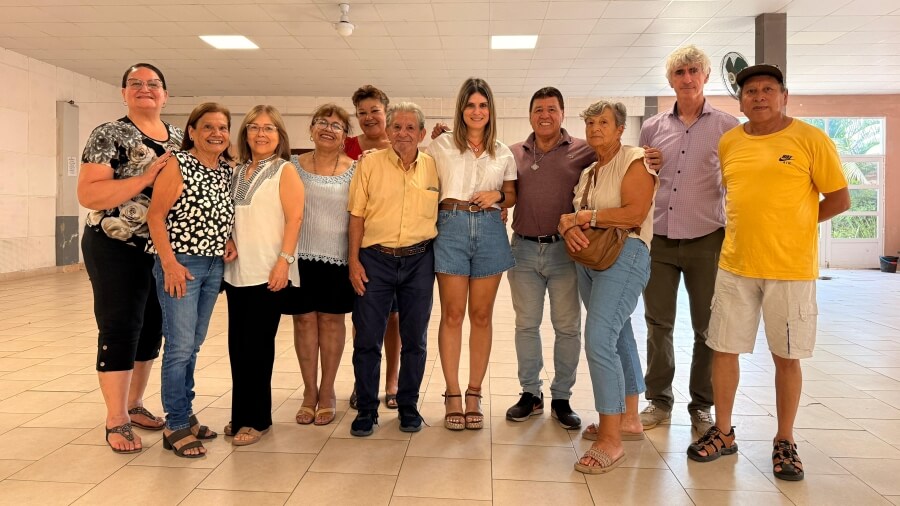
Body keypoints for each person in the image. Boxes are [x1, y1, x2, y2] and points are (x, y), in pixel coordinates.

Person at [687, 64, 849, 482]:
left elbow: (840, 198)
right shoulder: (729, 143)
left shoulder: (810, 139)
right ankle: (723, 432)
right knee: (724, 348)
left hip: (790, 269)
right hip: (736, 264)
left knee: (787, 356)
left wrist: (796, 224)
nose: (759, 96)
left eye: (768, 89)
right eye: (751, 91)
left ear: (784, 96)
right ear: (740, 101)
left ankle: (785, 439)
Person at [78, 63, 181, 454]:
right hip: (114, 246)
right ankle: (116, 418)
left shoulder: (175, 137)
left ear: (165, 95)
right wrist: (144, 179)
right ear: (123, 93)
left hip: (160, 250)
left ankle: (135, 404)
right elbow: (89, 195)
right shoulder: (109, 134)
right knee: (120, 327)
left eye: (153, 84)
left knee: (151, 328)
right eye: (135, 84)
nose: (145, 89)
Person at [638, 45, 740, 436]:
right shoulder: (653, 127)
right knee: (657, 323)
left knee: (707, 328)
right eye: (679, 71)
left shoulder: (728, 127)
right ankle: (659, 400)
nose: (687, 77)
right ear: (670, 80)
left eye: (694, 70)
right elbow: (644, 176)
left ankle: (702, 405)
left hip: (706, 238)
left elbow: (735, 182)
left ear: (706, 76)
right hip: (660, 237)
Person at [559, 100, 658, 474]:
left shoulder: (635, 158)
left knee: (599, 337)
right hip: (590, 260)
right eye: (590, 123)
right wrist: (570, 228)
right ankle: (628, 419)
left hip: (627, 253)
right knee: (618, 336)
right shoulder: (588, 172)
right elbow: (575, 217)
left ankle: (611, 441)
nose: (596, 128)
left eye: (604, 122)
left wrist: (588, 217)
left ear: (620, 129)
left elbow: (634, 213)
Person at [146, 102, 235, 457]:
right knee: (179, 346)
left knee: (193, 345)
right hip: (181, 265)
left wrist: (226, 239)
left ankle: (186, 413)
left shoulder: (225, 171)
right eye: (209, 127)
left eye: (223, 128)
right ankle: (176, 424)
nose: (217, 134)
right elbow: (156, 217)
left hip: (214, 267)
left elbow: (219, 214)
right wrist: (168, 263)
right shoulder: (177, 164)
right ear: (193, 132)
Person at [428, 78, 517, 431]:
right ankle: (451, 393)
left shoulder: (503, 151)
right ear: (461, 109)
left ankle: (474, 392)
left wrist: (496, 197)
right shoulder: (441, 145)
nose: (477, 111)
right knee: (452, 313)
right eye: (470, 105)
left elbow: (510, 193)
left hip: (491, 230)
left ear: (490, 110)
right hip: (450, 226)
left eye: (483, 105)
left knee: (481, 315)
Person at [504, 87, 596, 430]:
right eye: (539, 109)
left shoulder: (583, 151)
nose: (545, 115)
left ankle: (561, 397)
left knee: (567, 327)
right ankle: (530, 393)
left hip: (566, 251)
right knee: (526, 325)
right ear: (530, 115)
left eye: (552, 109)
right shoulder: (514, 153)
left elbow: (616, 157)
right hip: (523, 250)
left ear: (562, 113)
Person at [347, 102, 439, 436]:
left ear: (422, 133)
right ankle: (367, 409)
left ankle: (409, 406)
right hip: (375, 259)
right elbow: (356, 214)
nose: (403, 134)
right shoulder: (369, 165)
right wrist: (354, 261)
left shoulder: (433, 167)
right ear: (388, 131)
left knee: (415, 338)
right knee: (368, 338)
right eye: (397, 127)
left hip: (419, 261)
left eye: (410, 128)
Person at [223, 105, 304, 446]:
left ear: (279, 136)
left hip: (269, 272)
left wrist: (284, 262)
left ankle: (257, 420)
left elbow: (295, 218)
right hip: (236, 273)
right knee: (237, 348)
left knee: (257, 348)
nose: (260, 133)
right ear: (245, 134)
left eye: (269, 128)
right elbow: (229, 215)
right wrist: (227, 238)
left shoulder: (284, 170)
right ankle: (241, 414)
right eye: (254, 127)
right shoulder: (237, 172)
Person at [284, 104, 356, 426]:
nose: (328, 128)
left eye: (337, 125)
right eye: (322, 123)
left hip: (338, 259)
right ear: (311, 129)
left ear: (345, 135)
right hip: (298, 258)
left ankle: (327, 391)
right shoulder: (291, 167)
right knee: (303, 323)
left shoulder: (356, 169)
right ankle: (308, 392)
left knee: (330, 323)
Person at [344, 85, 401, 411]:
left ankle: (392, 381)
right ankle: (363, 380)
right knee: (363, 320)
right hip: (357, 243)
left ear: (386, 112)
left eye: (374, 111)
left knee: (393, 318)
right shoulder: (349, 147)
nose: (368, 118)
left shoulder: (400, 144)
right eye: (362, 113)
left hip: (393, 245)